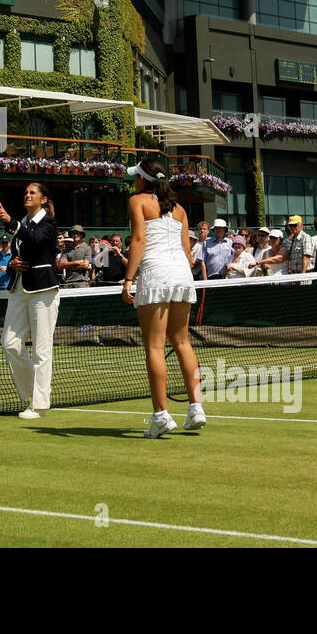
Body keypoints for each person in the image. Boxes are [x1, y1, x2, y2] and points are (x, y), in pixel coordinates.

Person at [120, 159, 204, 438]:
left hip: (156, 274)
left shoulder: (137, 201)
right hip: (181, 275)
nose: (134, 181)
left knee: (155, 348)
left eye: (136, 177)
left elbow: (139, 241)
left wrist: (129, 279)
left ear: (142, 179)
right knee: (182, 342)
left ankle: (161, 416)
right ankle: (196, 408)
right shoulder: (179, 209)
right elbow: (188, 254)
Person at [0, 182, 62, 419]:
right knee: (10, 343)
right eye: (26, 192)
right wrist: (12, 264)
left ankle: (39, 405)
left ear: (43, 199)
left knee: (42, 349)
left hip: (43, 289)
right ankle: (37, 392)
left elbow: (35, 240)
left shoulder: (49, 223)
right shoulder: (22, 223)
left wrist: (12, 222)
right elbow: (20, 252)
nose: (27, 195)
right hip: (19, 287)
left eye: (32, 192)